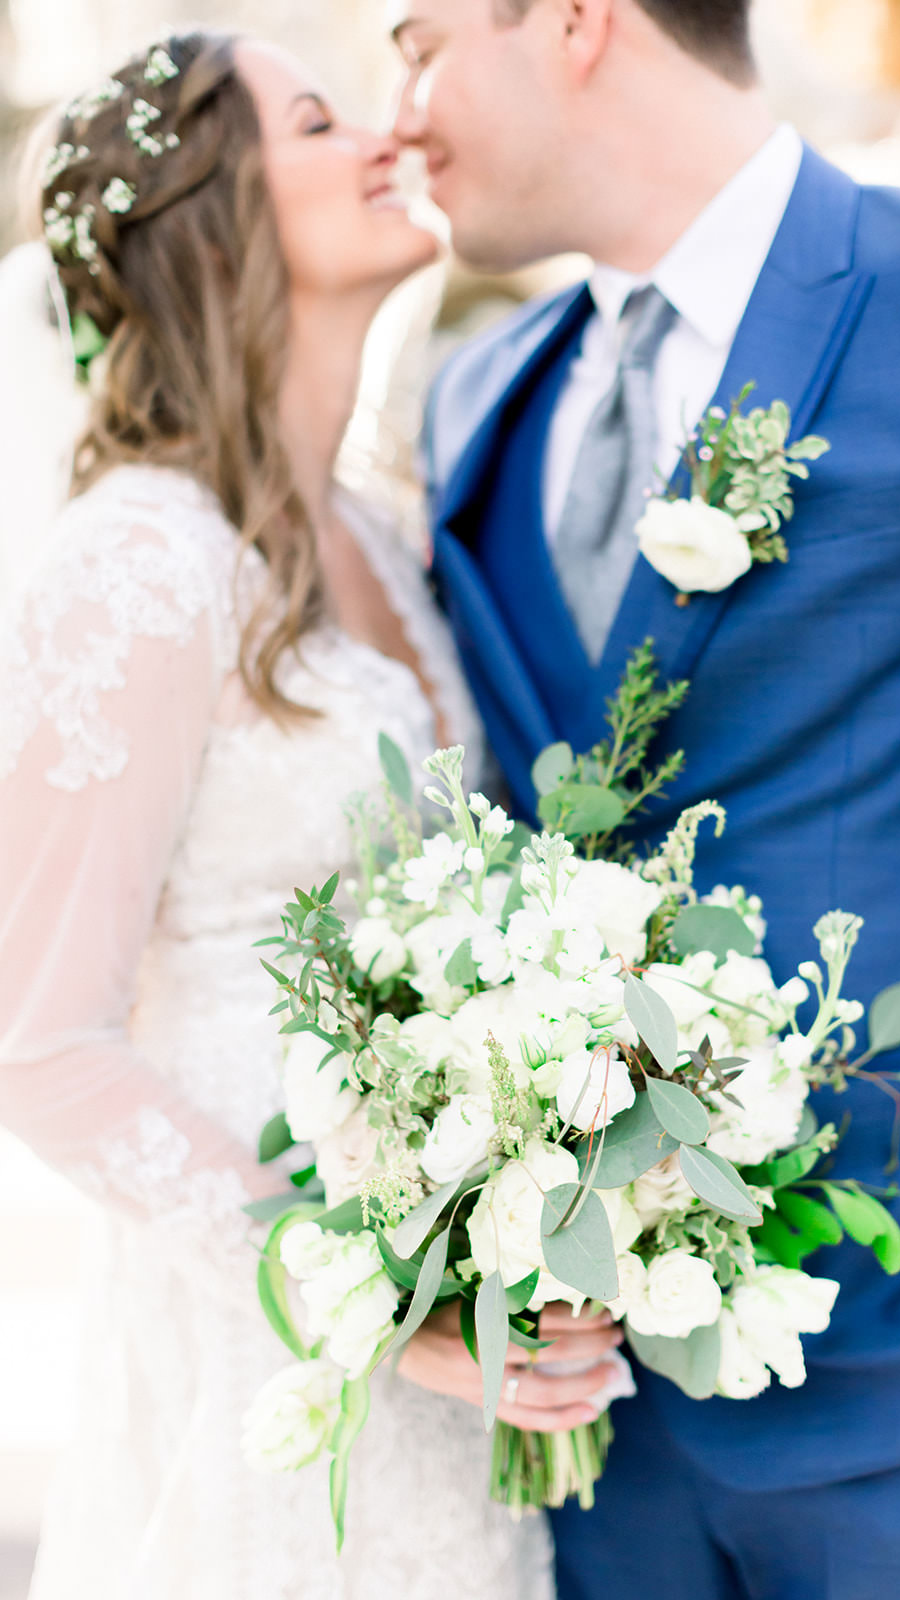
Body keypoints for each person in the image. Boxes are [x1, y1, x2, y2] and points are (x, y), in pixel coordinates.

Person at [389, 0, 900, 1594]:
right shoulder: (474, 402)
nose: (398, 113)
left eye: (418, 43)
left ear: (569, 21)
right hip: (584, 1438)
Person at [0, 29, 623, 1599]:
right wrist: (353, 1294)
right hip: (268, 1362)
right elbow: (36, 1037)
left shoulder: (384, 532)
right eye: (318, 118)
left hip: (445, 1352)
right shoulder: (142, 561)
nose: (381, 139)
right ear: (212, 210)